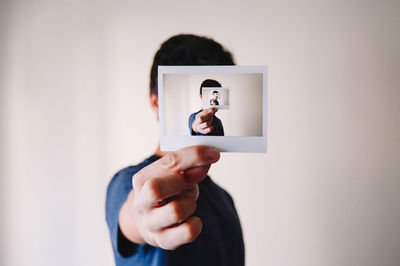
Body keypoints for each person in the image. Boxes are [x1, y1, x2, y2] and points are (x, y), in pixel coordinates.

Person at [106, 34, 244, 266]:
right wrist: (141, 222)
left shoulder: (224, 198)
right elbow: (135, 215)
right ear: (156, 102)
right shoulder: (128, 183)